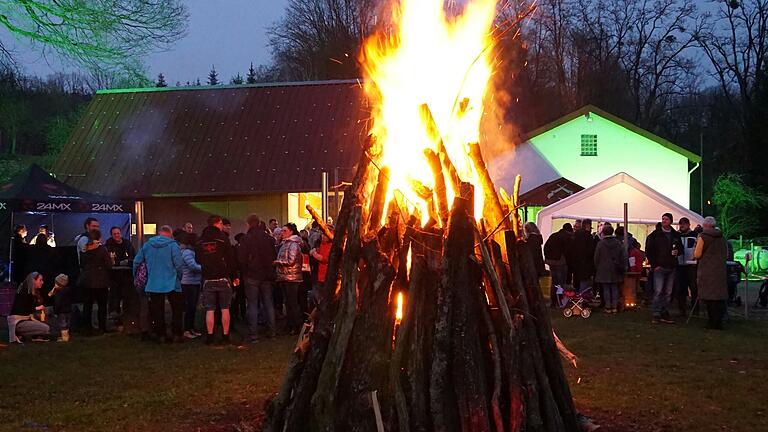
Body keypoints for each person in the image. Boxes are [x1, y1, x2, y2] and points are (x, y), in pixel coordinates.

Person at [134, 225, 185, 343]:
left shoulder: (147, 245)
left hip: (153, 282)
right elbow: (178, 265)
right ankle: (177, 333)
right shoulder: (173, 246)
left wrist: (137, 276)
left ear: (159, 233)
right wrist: (179, 278)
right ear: (170, 234)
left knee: (157, 310)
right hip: (172, 282)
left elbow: (137, 261)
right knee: (177, 309)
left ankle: (160, 334)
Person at [196, 215, 239, 345]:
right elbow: (231, 260)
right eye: (221, 224)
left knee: (210, 309)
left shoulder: (200, 240)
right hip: (223, 277)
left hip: (207, 278)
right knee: (225, 308)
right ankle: (225, 336)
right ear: (217, 224)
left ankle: (210, 336)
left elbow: (198, 259)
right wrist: (234, 276)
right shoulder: (223, 239)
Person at [239, 214, 278, 343]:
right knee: (268, 303)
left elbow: (242, 258)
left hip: (251, 275)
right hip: (266, 275)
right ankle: (272, 331)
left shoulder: (246, 239)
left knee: (252, 304)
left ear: (249, 224)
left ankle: (254, 334)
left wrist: (245, 271)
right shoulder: (269, 238)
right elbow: (274, 256)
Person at [645, 213, 683, 324]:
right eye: (663, 219)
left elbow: (681, 249)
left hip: (671, 266)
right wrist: (654, 265)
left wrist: (678, 252)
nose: (664, 221)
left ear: (670, 221)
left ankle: (664, 311)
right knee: (658, 291)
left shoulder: (675, 235)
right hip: (660, 266)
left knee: (668, 292)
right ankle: (656, 313)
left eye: (666, 219)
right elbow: (649, 250)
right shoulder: (655, 235)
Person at [694, 216, 728, 330]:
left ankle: (711, 322)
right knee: (718, 298)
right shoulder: (722, 238)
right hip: (720, 271)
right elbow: (726, 254)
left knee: (709, 297)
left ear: (706, 226)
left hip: (707, 270)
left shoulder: (703, 237)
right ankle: (719, 322)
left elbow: (697, 254)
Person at [79, 230, 113, 334]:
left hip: (87, 281)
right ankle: (102, 327)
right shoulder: (102, 249)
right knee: (102, 306)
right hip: (100, 281)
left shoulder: (84, 249)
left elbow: (82, 264)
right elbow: (108, 265)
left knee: (87, 306)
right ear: (99, 238)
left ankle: (87, 328)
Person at [274, 223, 303, 335]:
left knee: (292, 303)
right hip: (285, 277)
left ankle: (296, 325)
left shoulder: (293, 245)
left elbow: (291, 261)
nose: (282, 233)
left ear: (291, 232)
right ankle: (290, 324)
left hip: (292, 277)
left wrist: (278, 262)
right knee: (288, 303)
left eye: (284, 231)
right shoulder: (285, 244)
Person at [8, 272, 51, 343]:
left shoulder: (33, 292)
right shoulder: (24, 292)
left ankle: (36, 336)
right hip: (19, 322)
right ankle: (20, 334)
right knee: (46, 328)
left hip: (25, 319)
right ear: (33, 280)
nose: (42, 282)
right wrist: (36, 308)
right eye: (40, 280)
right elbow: (22, 309)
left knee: (45, 311)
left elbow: (41, 303)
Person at [176, 230, 202, 339]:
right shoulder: (187, 253)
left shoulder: (190, 252)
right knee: (190, 308)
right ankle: (187, 329)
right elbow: (193, 267)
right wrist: (206, 267)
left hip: (194, 282)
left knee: (193, 307)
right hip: (188, 283)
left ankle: (191, 328)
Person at [594, 224, 626, 313]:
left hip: (603, 269)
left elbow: (596, 257)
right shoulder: (618, 243)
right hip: (615, 268)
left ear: (603, 232)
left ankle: (608, 306)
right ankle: (615, 307)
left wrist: (598, 267)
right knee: (615, 288)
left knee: (606, 288)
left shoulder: (601, 244)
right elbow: (622, 256)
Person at [105, 226, 135, 322]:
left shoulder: (127, 243)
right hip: (115, 276)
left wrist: (128, 261)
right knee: (115, 296)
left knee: (127, 296)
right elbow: (110, 260)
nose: (117, 235)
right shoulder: (109, 245)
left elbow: (133, 256)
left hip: (127, 275)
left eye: (118, 233)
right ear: (111, 235)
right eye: (115, 234)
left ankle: (127, 316)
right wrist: (120, 262)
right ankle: (114, 315)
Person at [675, 217, 700, 317]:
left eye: (684, 224)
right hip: (680, 265)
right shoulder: (676, 235)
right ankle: (682, 309)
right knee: (681, 288)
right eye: (681, 224)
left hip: (692, 265)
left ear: (689, 225)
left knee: (694, 288)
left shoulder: (695, 235)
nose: (682, 226)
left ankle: (695, 309)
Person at [544, 223, 573, 307]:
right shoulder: (567, 238)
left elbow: (546, 247)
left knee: (554, 282)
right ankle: (560, 301)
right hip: (561, 262)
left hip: (551, 262)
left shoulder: (553, 235)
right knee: (561, 283)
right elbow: (568, 252)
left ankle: (553, 302)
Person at [571, 218, 597, 293]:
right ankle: (582, 299)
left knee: (577, 281)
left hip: (576, 263)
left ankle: (577, 298)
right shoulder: (588, 236)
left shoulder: (575, 235)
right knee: (584, 282)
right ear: (588, 226)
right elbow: (590, 251)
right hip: (586, 264)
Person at [48, 274, 72, 342]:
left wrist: (56, 312)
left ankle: (65, 338)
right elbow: (49, 295)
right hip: (68, 310)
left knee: (63, 325)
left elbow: (57, 303)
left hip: (61, 312)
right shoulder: (68, 290)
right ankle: (67, 336)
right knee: (67, 324)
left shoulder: (59, 293)